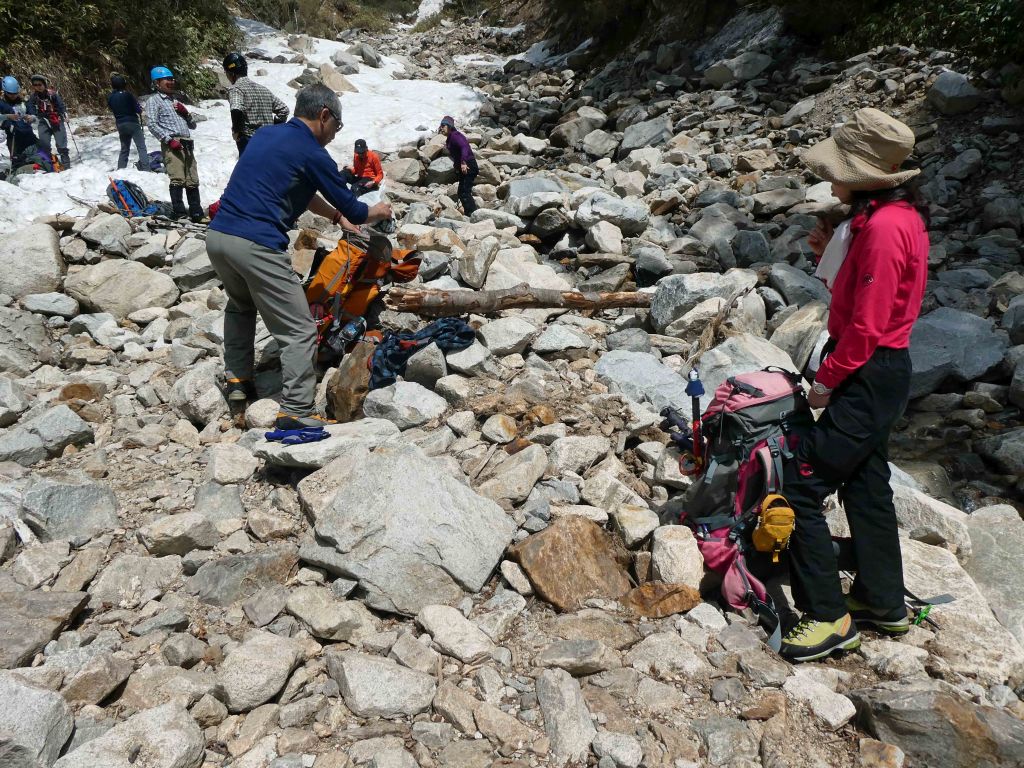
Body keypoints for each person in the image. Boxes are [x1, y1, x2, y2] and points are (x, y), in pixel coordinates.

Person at [777, 107, 929, 663]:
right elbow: (866, 297)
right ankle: (882, 602)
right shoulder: (887, 218)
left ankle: (827, 616)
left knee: (801, 486)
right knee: (866, 485)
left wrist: (825, 380)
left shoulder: (885, 227)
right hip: (880, 372)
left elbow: (866, 325)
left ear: (862, 175)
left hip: (868, 371)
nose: (831, 176)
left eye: (838, 167)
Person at [206, 83, 393, 429]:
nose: (334, 134)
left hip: (218, 238)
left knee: (241, 305)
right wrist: (377, 211)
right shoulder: (311, 152)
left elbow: (302, 193)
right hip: (255, 243)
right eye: (336, 126)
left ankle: (238, 381)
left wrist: (337, 220)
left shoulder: (266, 136)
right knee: (300, 330)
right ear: (324, 115)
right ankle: (296, 410)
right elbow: (353, 204)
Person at [145, 65, 206, 222]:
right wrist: (168, 140)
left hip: (187, 142)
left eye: (172, 79)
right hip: (172, 142)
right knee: (177, 177)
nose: (171, 82)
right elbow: (151, 124)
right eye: (167, 80)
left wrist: (186, 113)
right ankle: (179, 213)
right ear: (157, 83)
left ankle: (196, 211)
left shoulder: (176, 101)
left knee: (192, 178)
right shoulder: (154, 101)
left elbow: (193, 125)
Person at [222, 52, 289, 156]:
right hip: (270, 141)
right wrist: (274, 128)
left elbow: (236, 109)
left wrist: (237, 132)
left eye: (226, 73)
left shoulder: (235, 89)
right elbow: (284, 110)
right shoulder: (263, 89)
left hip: (250, 142)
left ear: (232, 73)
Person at [26, 74, 71, 168]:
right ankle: (48, 165)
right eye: (35, 85)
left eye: (40, 84)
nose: (38, 87)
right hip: (43, 121)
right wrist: (32, 116)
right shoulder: (33, 97)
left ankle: (66, 165)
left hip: (56, 120)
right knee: (44, 144)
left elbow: (60, 105)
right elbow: (30, 108)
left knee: (61, 144)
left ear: (44, 84)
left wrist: (64, 114)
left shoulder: (52, 94)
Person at [108, 74, 150, 170]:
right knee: (141, 147)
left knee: (124, 148)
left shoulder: (110, 97)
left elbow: (111, 108)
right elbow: (138, 109)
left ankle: (121, 169)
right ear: (124, 84)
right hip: (132, 122)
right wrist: (139, 109)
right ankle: (146, 169)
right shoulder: (128, 95)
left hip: (120, 124)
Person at [438, 115, 478, 215]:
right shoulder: (451, 138)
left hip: (468, 165)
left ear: (450, 126)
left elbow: (464, 147)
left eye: (443, 125)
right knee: (462, 192)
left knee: (464, 191)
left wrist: (463, 163)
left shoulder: (455, 136)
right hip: (464, 166)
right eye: (440, 126)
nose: (441, 128)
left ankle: (473, 214)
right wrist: (457, 167)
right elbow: (457, 155)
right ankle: (471, 213)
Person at [1, 76, 37, 161]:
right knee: (18, 162)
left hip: (29, 135)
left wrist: (31, 117)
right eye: (10, 93)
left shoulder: (24, 102)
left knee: (37, 160)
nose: (13, 96)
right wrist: (7, 117)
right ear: (5, 91)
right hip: (14, 138)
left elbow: (35, 116)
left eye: (15, 93)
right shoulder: (2, 104)